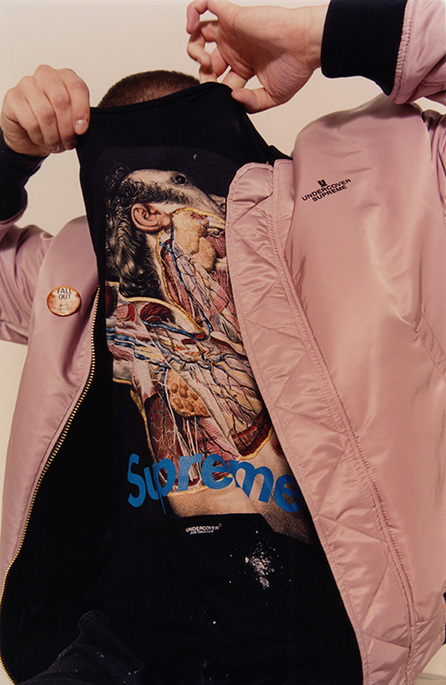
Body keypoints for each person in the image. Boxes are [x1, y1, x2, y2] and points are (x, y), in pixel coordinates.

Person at [0, 1, 444, 684]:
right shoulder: (73, 271)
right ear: (142, 214)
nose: (210, 225)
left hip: (319, 645)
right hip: (114, 648)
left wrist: (325, 35)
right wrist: (8, 154)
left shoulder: (371, 202)